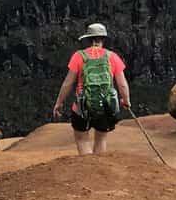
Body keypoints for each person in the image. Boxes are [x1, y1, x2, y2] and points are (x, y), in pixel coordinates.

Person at [52, 22, 130, 155]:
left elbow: (68, 83)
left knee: (82, 139)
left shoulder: (79, 56)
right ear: (103, 40)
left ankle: (87, 169)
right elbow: (122, 83)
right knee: (100, 139)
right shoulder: (112, 56)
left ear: (88, 40)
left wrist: (59, 103)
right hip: (105, 106)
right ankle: (99, 170)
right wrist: (125, 100)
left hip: (82, 108)